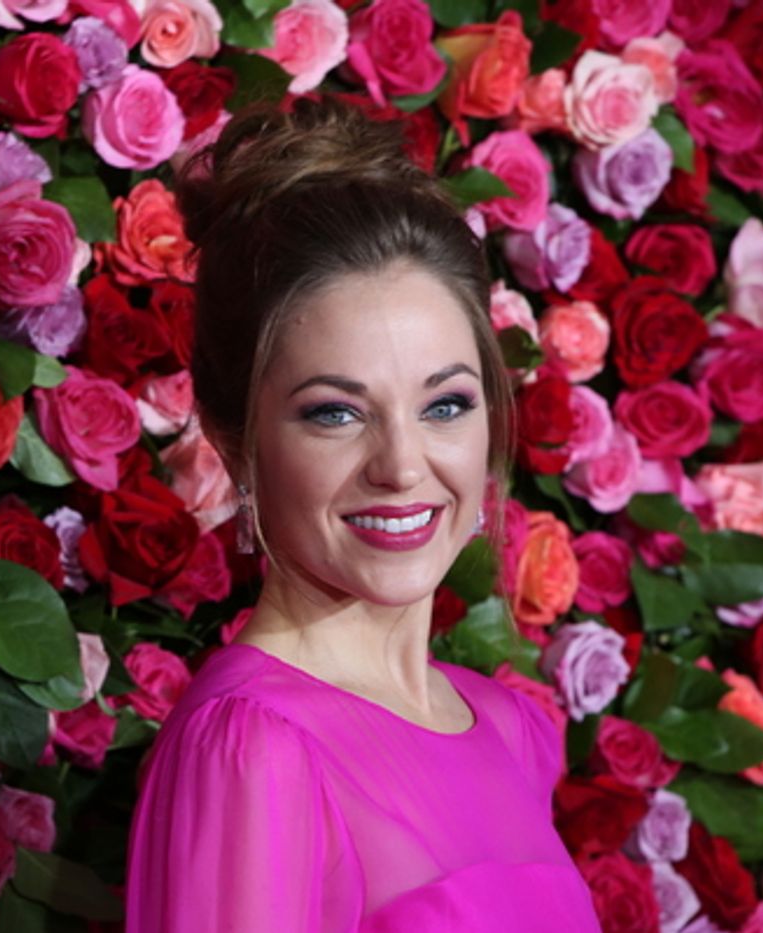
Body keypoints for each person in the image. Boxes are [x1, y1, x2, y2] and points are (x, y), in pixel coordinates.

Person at [124, 99, 602, 932]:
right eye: (335, 413)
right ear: (235, 439)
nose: (403, 466)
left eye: (445, 405)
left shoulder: (511, 728)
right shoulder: (254, 750)